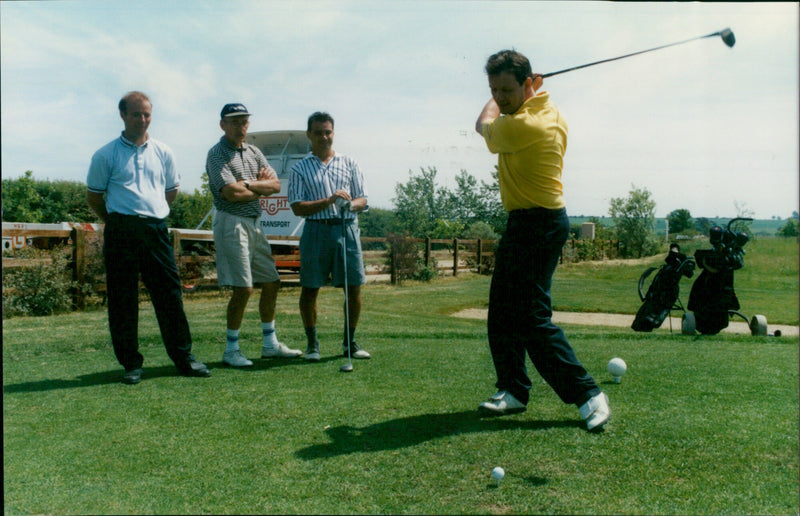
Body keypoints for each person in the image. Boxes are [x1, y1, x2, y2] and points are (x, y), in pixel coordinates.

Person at [474, 50, 610, 431]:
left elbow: (482, 123)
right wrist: (523, 91)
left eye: (505, 89)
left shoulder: (526, 125)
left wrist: (494, 103)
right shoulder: (542, 110)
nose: (499, 97)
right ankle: (513, 390)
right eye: (492, 89)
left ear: (526, 84)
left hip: (541, 223)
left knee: (532, 318)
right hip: (524, 222)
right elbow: (507, 109)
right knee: (502, 310)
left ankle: (588, 394)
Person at [87, 91, 210, 384]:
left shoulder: (163, 151)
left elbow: (171, 191)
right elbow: (94, 197)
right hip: (121, 231)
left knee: (169, 295)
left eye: (147, 114)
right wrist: (117, 221)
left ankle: (184, 357)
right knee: (122, 298)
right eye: (136, 114)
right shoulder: (106, 154)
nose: (142, 120)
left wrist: (150, 212)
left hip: (155, 230)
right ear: (123, 116)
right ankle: (131, 364)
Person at [205, 103, 302, 367]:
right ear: (223, 124)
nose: (241, 127)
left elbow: (276, 185)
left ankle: (270, 344)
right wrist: (259, 188)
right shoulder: (216, 155)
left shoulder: (254, 152)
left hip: (255, 222)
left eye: (244, 121)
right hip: (230, 222)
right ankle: (231, 349)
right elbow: (231, 194)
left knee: (271, 281)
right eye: (234, 121)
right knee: (243, 288)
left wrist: (248, 185)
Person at [288, 112, 370, 362]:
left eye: (328, 132)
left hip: (346, 228)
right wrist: (329, 200)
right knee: (311, 287)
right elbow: (298, 206)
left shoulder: (350, 162)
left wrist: (351, 205)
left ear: (333, 132)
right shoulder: (299, 167)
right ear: (309, 135)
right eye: (318, 132)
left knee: (353, 287)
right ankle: (313, 344)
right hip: (315, 229)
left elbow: (363, 198)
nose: (324, 137)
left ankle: (349, 343)